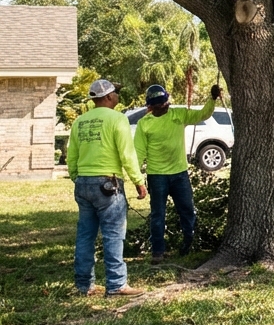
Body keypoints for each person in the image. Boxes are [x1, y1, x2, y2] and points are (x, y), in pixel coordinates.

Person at [68, 78, 146, 297]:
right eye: (116, 94)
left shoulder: (80, 121)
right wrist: (138, 181)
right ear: (110, 97)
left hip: (83, 182)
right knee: (113, 234)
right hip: (107, 185)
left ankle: (84, 285)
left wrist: (77, 176)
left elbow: (72, 155)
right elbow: (127, 154)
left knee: (85, 235)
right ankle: (117, 284)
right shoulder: (118, 119)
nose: (118, 97)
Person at [134, 83, 221, 261]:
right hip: (157, 175)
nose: (166, 106)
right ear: (151, 106)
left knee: (187, 210)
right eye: (161, 104)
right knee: (158, 214)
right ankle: (158, 252)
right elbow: (139, 153)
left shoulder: (179, 114)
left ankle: (189, 244)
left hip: (180, 174)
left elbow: (202, 114)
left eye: (166, 102)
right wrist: (138, 180)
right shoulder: (144, 124)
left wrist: (212, 99)